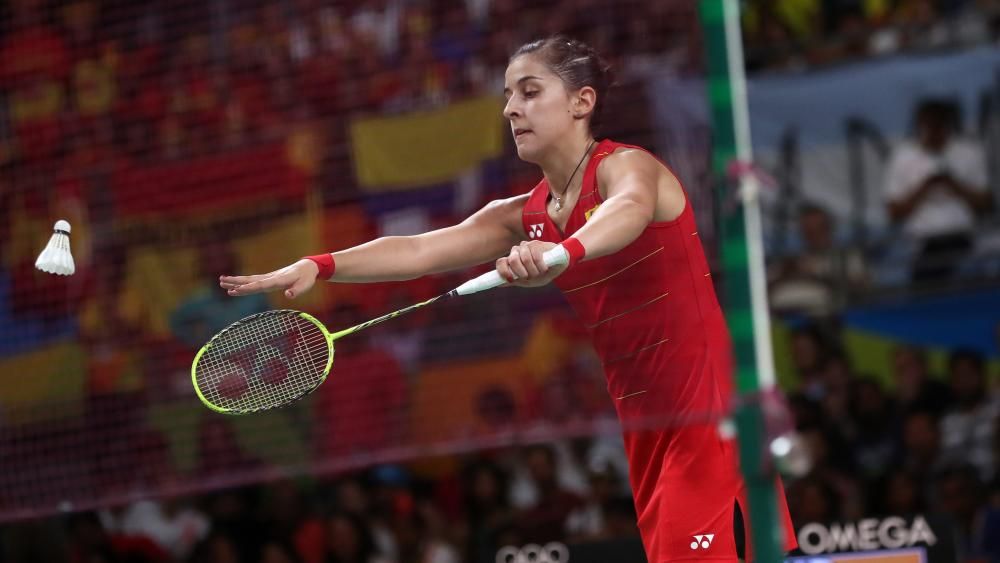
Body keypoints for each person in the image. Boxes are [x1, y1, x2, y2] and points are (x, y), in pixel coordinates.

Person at [220, 36, 797, 561]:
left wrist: (560, 255)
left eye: (530, 91)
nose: (511, 108)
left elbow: (628, 212)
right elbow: (421, 250)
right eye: (507, 96)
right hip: (646, 425)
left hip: (714, 417)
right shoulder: (524, 215)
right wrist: (319, 265)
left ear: (581, 102)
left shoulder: (627, 167)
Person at [884, 99, 993, 282]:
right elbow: (893, 212)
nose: (933, 131)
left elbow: (986, 203)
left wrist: (953, 184)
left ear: (946, 125)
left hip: (963, 237)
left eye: (938, 125)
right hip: (922, 243)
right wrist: (925, 187)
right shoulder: (902, 158)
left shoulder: (969, 152)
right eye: (928, 125)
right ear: (919, 126)